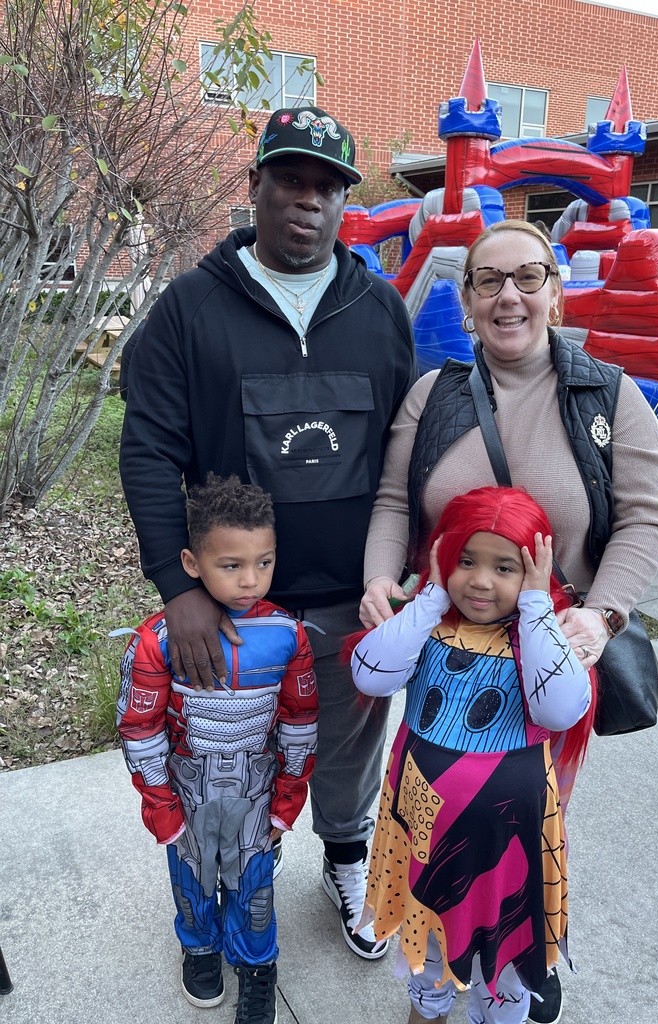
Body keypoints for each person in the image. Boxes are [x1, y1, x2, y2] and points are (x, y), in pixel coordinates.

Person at [119, 104, 417, 962]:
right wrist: (178, 591)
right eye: (290, 179)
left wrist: (408, 577)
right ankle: (214, 893)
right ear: (254, 186)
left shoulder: (379, 309)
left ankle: (347, 857)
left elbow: (409, 445)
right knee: (224, 767)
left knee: (351, 744)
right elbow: (147, 453)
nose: (308, 201)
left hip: (351, 597)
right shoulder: (188, 309)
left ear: (343, 203)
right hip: (235, 612)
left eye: (327, 187)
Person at [359, 219, 658, 1023]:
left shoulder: (608, 395)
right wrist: (378, 580)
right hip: (448, 647)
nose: (509, 297)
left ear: (555, 291)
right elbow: (397, 500)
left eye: (528, 277)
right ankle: (436, 949)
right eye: (489, 280)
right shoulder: (434, 397)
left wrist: (603, 615)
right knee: (438, 801)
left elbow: (645, 518)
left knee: (532, 813)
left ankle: (518, 947)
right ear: (466, 301)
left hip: (552, 651)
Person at [350, 486, 594, 1024]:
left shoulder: (540, 641)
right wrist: (430, 597)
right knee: (428, 938)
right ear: (442, 556)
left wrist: (535, 607)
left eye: (506, 567)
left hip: (508, 846)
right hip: (422, 831)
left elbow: (559, 710)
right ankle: (428, 1010)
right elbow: (370, 671)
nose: (481, 580)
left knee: (502, 956)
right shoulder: (428, 629)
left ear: (534, 572)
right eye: (465, 561)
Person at [116, 474, 319, 1024]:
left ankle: (258, 966)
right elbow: (139, 729)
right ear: (190, 562)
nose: (250, 580)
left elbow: (300, 724)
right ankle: (199, 949)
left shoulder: (288, 634)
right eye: (231, 565)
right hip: (185, 790)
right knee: (190, 877)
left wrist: (285, 804)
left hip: (255, 791)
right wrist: (161, 808)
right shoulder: (158, 638)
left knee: (253, 887)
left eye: (264, 562)